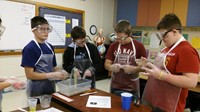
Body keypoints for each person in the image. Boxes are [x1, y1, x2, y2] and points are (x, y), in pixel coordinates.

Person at [140, 13, 200, 112]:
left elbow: (191, 82)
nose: (162, 40)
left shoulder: (187, 50)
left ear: (174, 31)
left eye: (164, 36)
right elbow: (164, 69)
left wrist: (161, 75)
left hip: (171, 106)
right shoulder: (167, 49)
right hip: (157, 100)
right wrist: (149, 64)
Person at [21, 16, 69, 97]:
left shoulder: (50, 47)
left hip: (50, 87)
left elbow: (53, 68)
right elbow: (29, 74)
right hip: (35, 90)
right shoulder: (30, 48)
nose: (46, 32)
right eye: (42, 29)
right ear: (34, 30)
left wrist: (62, 73)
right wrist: (50, 75)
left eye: (47, 29)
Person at [104, 20, 146, 99]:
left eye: (122, 38)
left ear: (130, 34)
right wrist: (111, 67)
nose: (119, 40)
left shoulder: (139, 46)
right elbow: (106, 64)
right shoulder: (113, 46)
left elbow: (144, 67)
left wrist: (134, 69)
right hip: (115, 85)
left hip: (132, 87)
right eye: (117, 37)